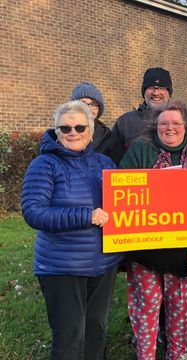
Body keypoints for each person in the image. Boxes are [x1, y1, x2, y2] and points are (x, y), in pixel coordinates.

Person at [21, 101, 122, 360]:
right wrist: (85, 216)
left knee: (96, 332)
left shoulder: (105, 163)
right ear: (56, 131)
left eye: (80, 126)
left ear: (91, 130)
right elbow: (34, 212)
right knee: (69, 338)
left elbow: (125, 203)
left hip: (103, 264)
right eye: (65, 128)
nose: (73, 132)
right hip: (62, 266)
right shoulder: (44, 165)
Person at [119, 100, 187, 360]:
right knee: (146, 304)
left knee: (181, 306)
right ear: (155, 126)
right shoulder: (141, 149)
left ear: (186, 126)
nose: (170, 128)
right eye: (164, 123)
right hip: (147, 247)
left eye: (176, 123)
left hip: (185, 246)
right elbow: (122, 189)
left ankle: (176, 353)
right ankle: (146, 354)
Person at [110, 67, 173, 163]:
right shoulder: (125, 122)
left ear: (169, 92)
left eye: (161, 88)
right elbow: (114, 160)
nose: (156, 93)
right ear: (143, 92)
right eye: (151, 87)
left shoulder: (181, 121)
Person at [69, 81, 122, 161]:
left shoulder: (110, 139)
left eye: (93, 104)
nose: (88, 108)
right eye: (82, 103)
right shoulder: (59, 135)